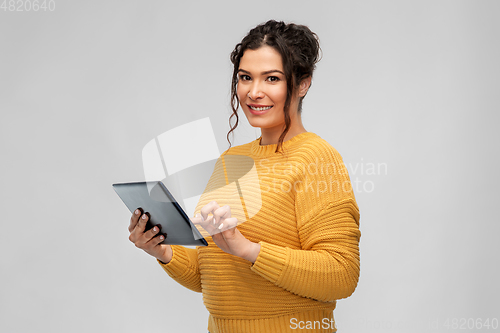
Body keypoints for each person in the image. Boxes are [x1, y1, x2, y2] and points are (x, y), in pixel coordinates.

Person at [128, 20, 361, 333]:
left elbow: (341, 275)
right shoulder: (231, 161)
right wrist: (162, 250)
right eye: (245, 78)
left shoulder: (317, 159)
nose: (254, 92)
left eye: (272, 78)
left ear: (303, 83)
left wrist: (249, 249)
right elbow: (211, 274)